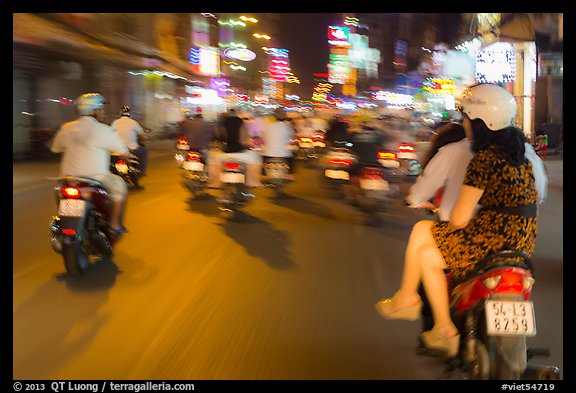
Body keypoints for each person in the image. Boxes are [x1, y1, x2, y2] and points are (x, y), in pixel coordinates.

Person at [375, 83, 540, 358]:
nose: (464, 123)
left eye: (466, 118)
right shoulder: (521, 157)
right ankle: (436, 322)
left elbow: (460, 220)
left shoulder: (485, 160)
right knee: (427, 253)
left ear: (481, 122)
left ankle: (414, 303)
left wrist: (447, 219)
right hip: (522, 244)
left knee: (422, 233)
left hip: (490, 243)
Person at [50, 93, 129, 236]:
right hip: (97, 179)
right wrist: (124, 155)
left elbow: (55, 148)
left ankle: (64, 224)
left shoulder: (66, 128)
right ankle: (114, 224)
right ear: (94, 111)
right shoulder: (104, 130)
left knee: (59, 192)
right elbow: (123, 152)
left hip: (68, 180)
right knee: (120, 188)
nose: (102, 112)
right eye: (100, 109)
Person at [208, 108, 263, 188]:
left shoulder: (221, 124)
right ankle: (253, 182)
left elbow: (219, 139)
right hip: (241, 155)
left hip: (225, 155)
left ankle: (215, 183)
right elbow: (244, 141)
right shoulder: (241, 123)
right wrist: (252, 145)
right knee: (256, 158)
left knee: (212, 158)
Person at [260, 107, 296, 180]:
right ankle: (290, 175)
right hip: (284, 155)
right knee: (293, 157)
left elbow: (263, 138)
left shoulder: (268, 126)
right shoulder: (287, 126)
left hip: (268, 154)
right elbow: (292, 137)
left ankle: (264, 175)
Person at [111, 105, 148, 175]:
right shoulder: (133, 122)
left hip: (117, 149)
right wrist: (145, 138)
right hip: (132, 148)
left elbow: (110, 134)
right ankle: (142, 171)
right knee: (143, 151)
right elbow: (143, 136)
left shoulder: (115, 123)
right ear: (129, 113)